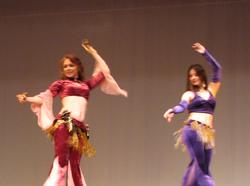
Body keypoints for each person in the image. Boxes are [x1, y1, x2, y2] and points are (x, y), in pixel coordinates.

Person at [16, 40, 127, 186]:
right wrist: (27, 98)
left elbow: (104, 71)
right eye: (65, 66)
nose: (68, 68)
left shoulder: (86, 85)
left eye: (71, 65)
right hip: (64, 124)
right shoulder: (61, 84)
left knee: (75, 165)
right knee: (62, 161)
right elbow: (45, 97)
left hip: (79, 129)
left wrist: (93, 52)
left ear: (77, 67)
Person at [163, 42, 221, 186]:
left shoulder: (212, 91)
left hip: (207, 133)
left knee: (201, 168)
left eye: (195, 75)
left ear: (202, 75)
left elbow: (217, 69)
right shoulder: (189, 94)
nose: (193, 78)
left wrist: (204, 52)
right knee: (201, 169)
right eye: (190, 76)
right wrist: (173, 110)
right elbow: (182, 105)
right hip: (193, 129)